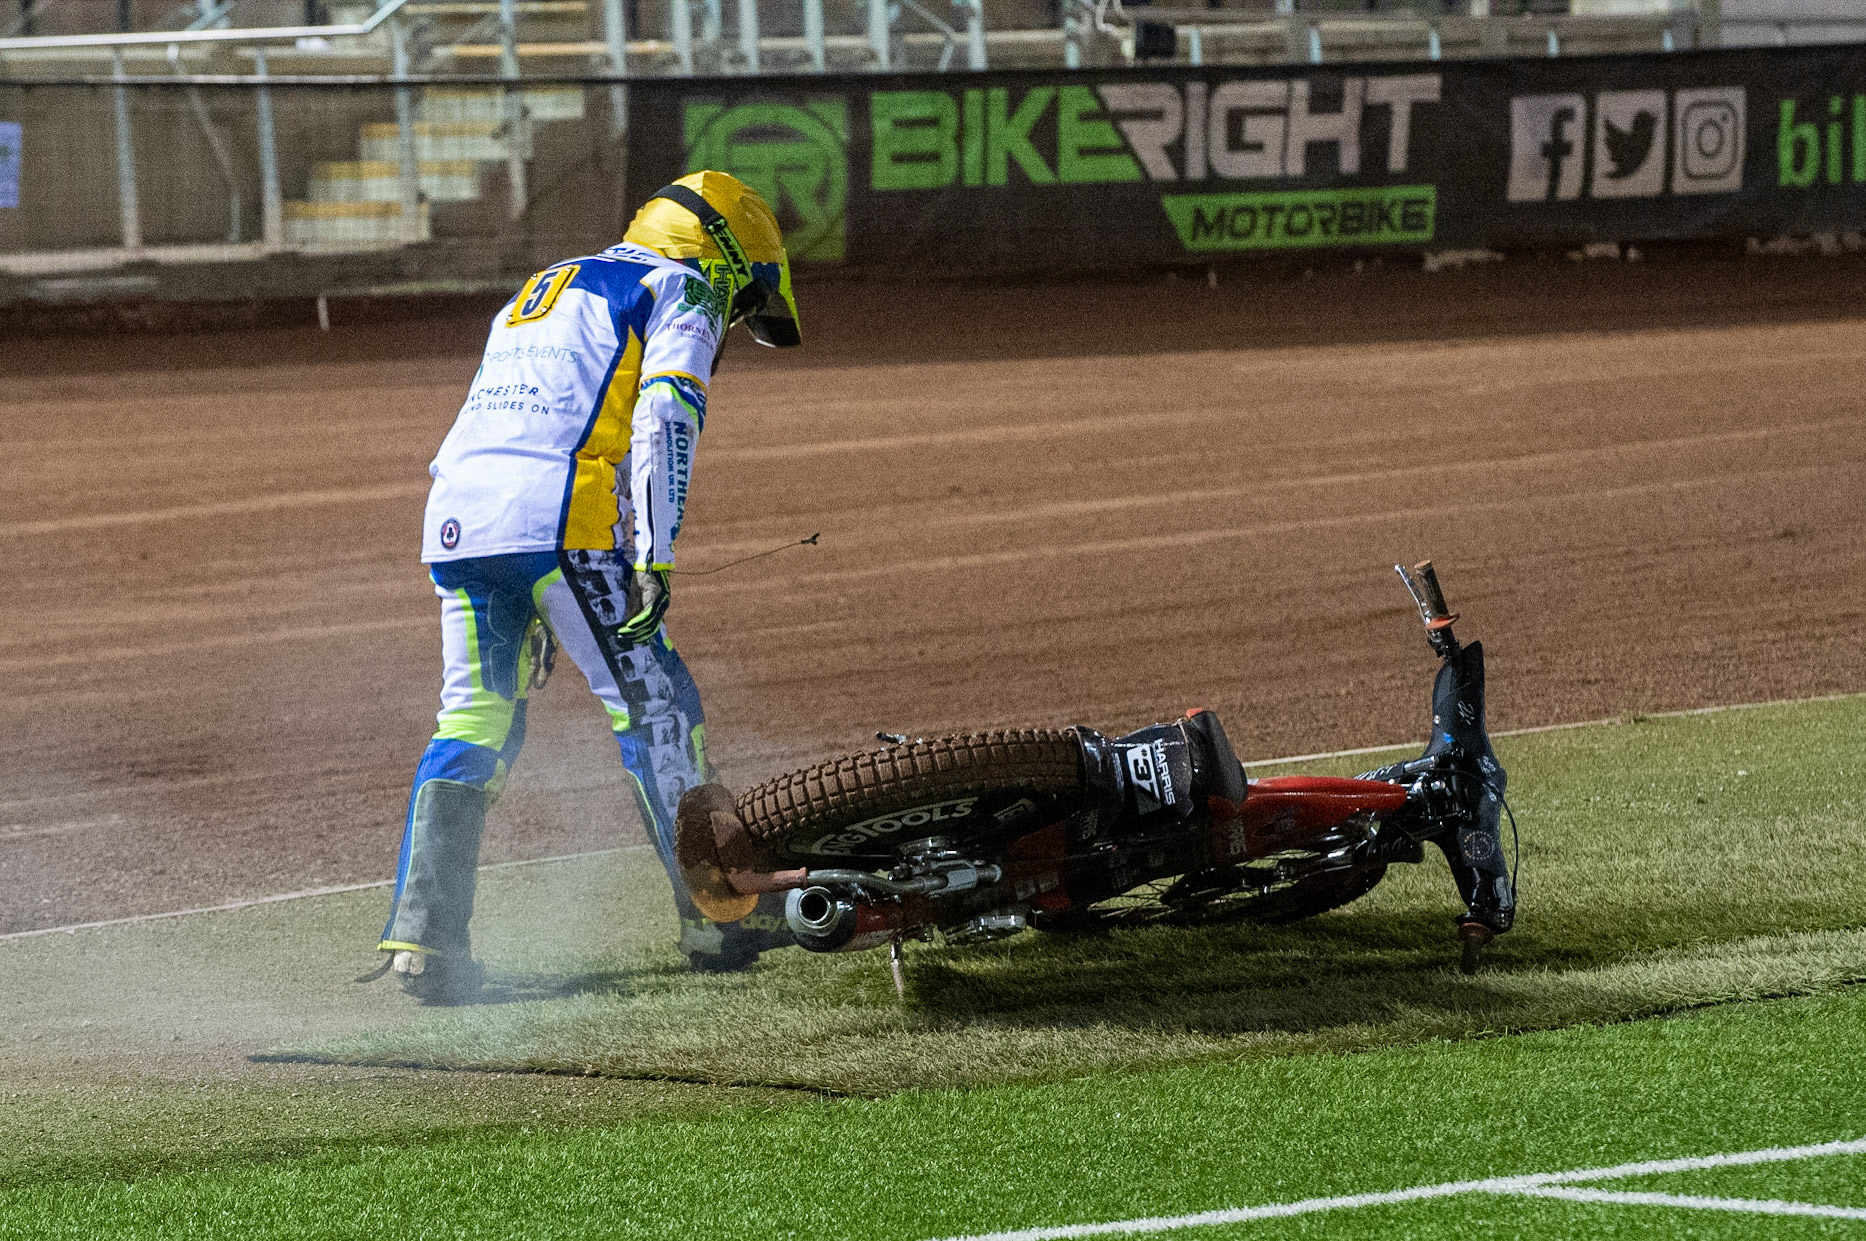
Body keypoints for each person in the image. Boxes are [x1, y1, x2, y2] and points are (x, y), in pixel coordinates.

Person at [375, 170, 802, 1001]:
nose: (731, 320)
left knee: (471, 722)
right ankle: (716, 916)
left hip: (457, 518)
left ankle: (423, 941)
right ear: (723, 254)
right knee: (658, 707)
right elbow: (667, 413)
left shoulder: (544, 287)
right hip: (560, 521)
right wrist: (655, 554)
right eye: (742, 301)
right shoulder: (680, 286)